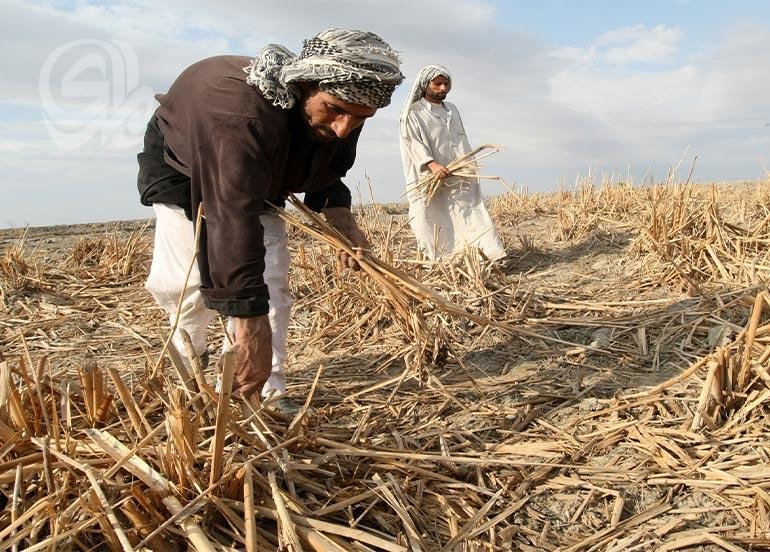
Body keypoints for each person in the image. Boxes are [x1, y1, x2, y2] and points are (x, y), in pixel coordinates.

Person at [137, 29, 404, 410]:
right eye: (335, 109)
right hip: (185, 169)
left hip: (258, 175)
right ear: (304, 86)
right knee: (187, 286)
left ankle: (266, 391)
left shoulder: (341, 113)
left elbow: (327, 173)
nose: (345, 128)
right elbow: (232, 216)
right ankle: (190, 375)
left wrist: (344, 226)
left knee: (272, 283)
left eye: (360, 118)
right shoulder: (240, 115)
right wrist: (248, 323)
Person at [399, 65, 506, 261]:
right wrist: (432, 165)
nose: (443, 88)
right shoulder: (413, 113)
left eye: (446, 84)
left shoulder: (452, 110)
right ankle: (442, 261)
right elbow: (412, 142)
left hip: (459, 173)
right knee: (430, 216)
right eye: (437, 83)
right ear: (425, 84)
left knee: (470, 212)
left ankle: (486, 256)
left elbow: (460, 140)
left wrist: (467, 165)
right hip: (428, 177)